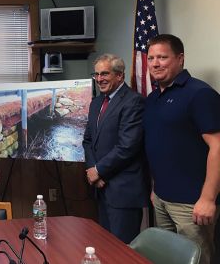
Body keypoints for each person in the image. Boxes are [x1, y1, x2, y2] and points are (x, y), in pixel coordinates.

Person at [144, 34, 220, 264]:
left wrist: (208, 198)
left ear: (180, 59)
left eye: (163, 57)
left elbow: (217, 146)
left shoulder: (199, 94)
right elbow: (161, 145)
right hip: (161, 198)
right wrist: (156, 189)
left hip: (192, 203)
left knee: (195, 259)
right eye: (151, 58)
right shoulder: (153, 97)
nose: (155, 63)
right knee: (164, 258)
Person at [83, 54, 149, 243]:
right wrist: (92, 170)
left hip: (122, 191)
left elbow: (127, 146)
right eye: (96, 75)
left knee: (123, 250)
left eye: (105, 74)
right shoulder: (96, 103)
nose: (99, 79)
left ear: (119, 76)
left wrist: (99, 170)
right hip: (100, 188)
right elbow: (88, 141)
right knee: (106, 247)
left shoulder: (133, 101)